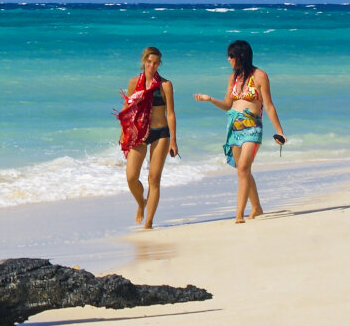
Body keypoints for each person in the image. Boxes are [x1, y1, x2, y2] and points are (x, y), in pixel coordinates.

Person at [194, 39, 286, 223]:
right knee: (243, 170)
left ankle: (239, 215)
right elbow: (228, 105)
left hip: (252, 127)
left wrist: (280, 131)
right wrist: (210, 99)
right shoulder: (233, 78)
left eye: (231, 56)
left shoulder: (260, 76)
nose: (228, 59)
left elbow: (268, 105)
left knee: (243, 168)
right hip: (234, 128)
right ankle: (257, 207)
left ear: (240, 56)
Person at [118, 46, 179, 229]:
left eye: (156, 63)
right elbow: (126, 107)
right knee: (131, 177)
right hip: (139, 132)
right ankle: (141, 203)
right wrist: (123, 132)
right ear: (144, 62)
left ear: (160, 64)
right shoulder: (134, 82)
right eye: (149, 62)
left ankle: (149, 223)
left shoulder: (165, 85)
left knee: (154, 178)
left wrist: (174, 140)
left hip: (160, 133)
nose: (152, 66)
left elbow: (170, 113)